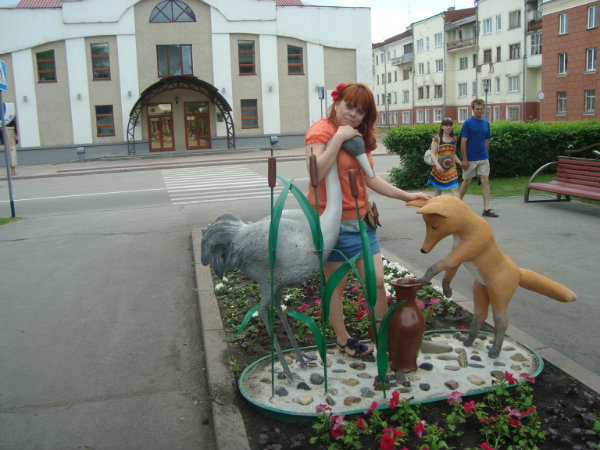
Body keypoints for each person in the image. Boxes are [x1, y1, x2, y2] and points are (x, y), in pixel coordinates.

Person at [304, 82, 432, 358]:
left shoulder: (359, 135)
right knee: (336, 287)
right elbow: (316, 175)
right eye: (349, 106)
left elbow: (370, 179)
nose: (353, 114)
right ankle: (343, 340)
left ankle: (382, 337)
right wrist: (338, 138)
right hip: (332, 226)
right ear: (337, 103)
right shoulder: (321, 131)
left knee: (377, 282)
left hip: (362, 223)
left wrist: (407, 195)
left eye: (360, 111)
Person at [458, 99, 498, 217]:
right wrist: (465, 159)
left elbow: (486, 140)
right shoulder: (468, 123)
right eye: (477, 109)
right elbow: (463, 142)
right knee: (467, 181)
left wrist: (487, 155)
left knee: (485, 180)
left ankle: (486, 208)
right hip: (470, 158)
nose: (480, 111)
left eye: (481, 109)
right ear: (473, 109)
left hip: (483, 157)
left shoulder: (486, 123)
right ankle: (458, 202)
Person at [426, 118, 461, 197]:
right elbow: (433, 154)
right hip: (440, 169)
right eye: (446, 125)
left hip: (451, 169)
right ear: (442, 127)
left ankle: (457, 205)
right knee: (439, 189)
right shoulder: (437, 139)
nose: (449, 127)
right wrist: (437, 165)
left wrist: (460, 163)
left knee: (455, 188)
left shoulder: (454, 139)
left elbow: (453, 154)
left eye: (450, 125)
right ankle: (435, 204)